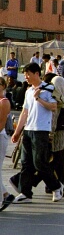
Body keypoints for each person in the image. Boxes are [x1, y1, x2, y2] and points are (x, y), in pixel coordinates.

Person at [9, 63, 63, 203]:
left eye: (28, 74)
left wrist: (39, 98)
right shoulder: (28, 91)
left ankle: (56, 187)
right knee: (26, 162)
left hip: (41, 130)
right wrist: (17, 131)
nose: (26, 77)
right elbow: (24, 112)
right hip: (28, 129)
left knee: (39, 162)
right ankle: (25, 193)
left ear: (37, 74)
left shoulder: (49, 88)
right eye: (25, 74)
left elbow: (53, 107)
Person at [0, 77, 14, 210]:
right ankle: (5, 195)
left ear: (3, 86)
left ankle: (4, 197)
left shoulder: (4, 102)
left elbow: (1, 123)